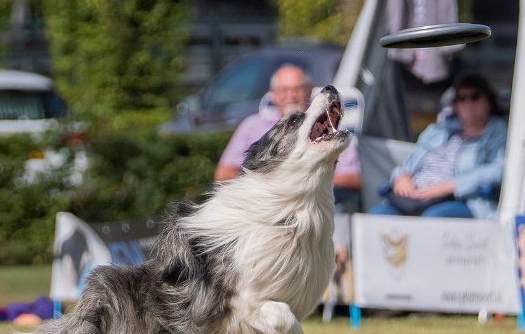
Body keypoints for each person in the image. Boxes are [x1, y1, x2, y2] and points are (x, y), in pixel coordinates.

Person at [214, 64, 362, 212]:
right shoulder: (252, 126)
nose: (291, 96)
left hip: (312, 206)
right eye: (284, 90)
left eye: (297, 89)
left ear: (309, 91)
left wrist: (300, 181)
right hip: (259, 208)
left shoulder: (328, 129)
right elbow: (223, 175)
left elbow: (352, 179)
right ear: (273, 95)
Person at [369, 73, 506, 219]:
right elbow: (407, 165)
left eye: (474, 97)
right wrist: (401, 177)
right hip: (413, 198)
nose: (468, 104)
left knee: (432, 219)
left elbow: (499, 170)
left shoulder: (498, 132)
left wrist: (450, 186)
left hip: (457, 200)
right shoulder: (438, 130)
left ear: (489, 101)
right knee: (378, 215)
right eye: (461, 98)